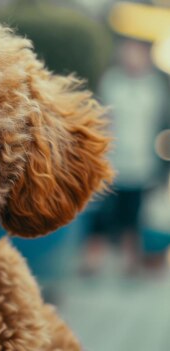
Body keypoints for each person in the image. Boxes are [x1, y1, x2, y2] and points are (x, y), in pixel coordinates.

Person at [84, 39, 168, 274]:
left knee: (133, 214)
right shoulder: (111, 82)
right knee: (101, 214)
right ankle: (92, 259)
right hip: (111, 161)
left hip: (141, 162)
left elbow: (161, 123)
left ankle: (130, 261)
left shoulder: (155, 87)